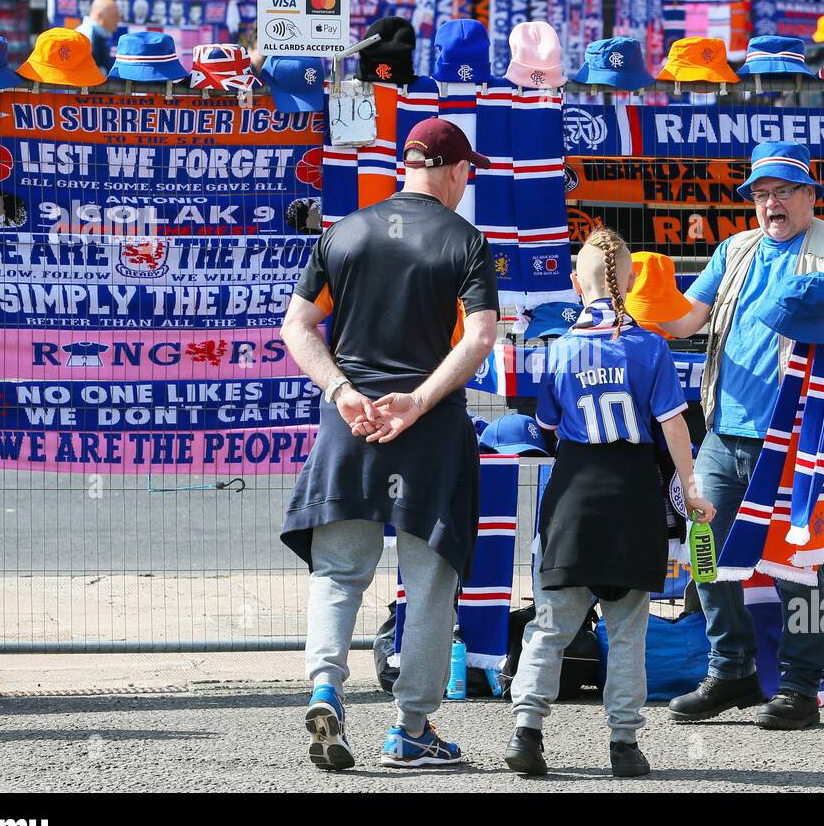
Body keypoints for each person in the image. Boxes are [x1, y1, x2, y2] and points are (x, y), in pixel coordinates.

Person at [279, 117, 500, 770]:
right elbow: (481, 337)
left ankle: (325, 687)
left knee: (338, 573)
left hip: (349, 428)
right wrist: (420, 400)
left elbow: (297, 325)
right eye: (467, 173)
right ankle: (411, 728)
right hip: (429, 433)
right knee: (429, 581)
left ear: (408, 167)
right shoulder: (465, 240)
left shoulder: (343, 233)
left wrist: (342, 390)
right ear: (457, 172)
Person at [657, 140, 824, 730]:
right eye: (760, 193)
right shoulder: (734, 249)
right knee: (707, 556)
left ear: (810, 196)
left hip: (797, 441)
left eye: (782, 191)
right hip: (723, 435)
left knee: (796, 565)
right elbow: (686, 320)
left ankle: (801, 688)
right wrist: (638, 304)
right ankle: (731, 671)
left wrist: (820, 316)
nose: (770, 203)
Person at [504, 228, 716, 779]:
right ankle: (624, 744)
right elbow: (673, 427)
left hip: (575, 492)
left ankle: (527, 734)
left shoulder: (557, 350)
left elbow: (547, 428)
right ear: (630, 279)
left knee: (550, 626)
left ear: (577, 283)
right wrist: (692, 490)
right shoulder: (649, 345)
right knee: (628, 627)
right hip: (633, 493)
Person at [76, 0, 120, 74]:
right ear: (100, 16)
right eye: (114, 15)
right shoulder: (86, 36)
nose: (118, 20)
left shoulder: (98, 35)